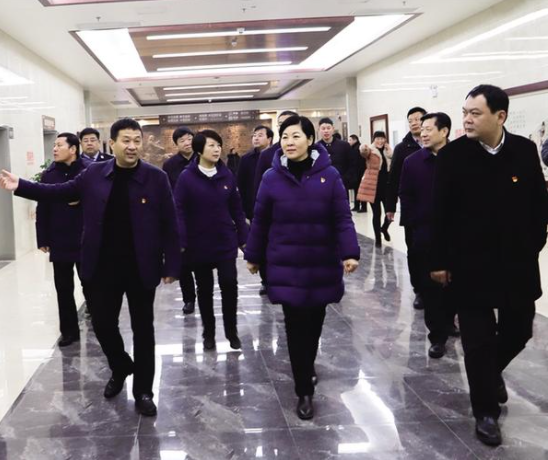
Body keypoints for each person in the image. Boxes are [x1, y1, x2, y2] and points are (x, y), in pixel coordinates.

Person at [0, 118, 181, 417]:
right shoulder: (94, 173)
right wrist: (20, 185)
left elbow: (170, 223)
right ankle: (120, 365)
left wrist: (172, 264)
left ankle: (144, 391)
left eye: (137, 140)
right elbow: (60, 192)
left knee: (143, 330)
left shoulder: (155, 178)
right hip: (102, 265)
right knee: (103, 324)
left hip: (141, 265)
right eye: (126, 140)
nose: (132, 146)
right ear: (113, 143)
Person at [430, 85, 548, 446]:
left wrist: (533, 243)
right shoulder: (453, 156)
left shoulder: (524, 151)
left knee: (519, 330)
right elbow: (439, 213)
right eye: (464, 112)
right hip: (470, 266)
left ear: (500, 116)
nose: (466, 119)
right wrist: (439, 261)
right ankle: (485, 413)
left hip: (516, 264)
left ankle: (490, 372)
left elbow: (539, 204)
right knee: (477, 342)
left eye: (475, 113)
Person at [245, 115, 360, 420]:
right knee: (295, 327)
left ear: (310, 140)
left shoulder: (330, 175)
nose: (289, 142)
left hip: (321, 261)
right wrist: (253, 255)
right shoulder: (271, 177)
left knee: (314, 324)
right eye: (285, 137)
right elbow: (260, 220)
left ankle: (307, 366)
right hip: (285, 262)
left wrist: (350, 252)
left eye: (296, 136)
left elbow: (342, 217)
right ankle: (304, 390)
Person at [174, 129, 248, 351]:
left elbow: (237, 209)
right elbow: (179, 210)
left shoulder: (226, 175)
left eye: (218, 145)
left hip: (225, 241)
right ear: (199, 150)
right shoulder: (187, 177)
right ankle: (209, 333)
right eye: (211, 145)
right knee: (204, 290)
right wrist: (181, 241)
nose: (217, 149)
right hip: (198, 243)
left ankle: (231, 331)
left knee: (229, 284)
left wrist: (243, 238)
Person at [399, 113, 458, 359]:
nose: (423, 133)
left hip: (456, 234)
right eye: (421, 129)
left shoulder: (459, 158)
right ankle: (437, 336)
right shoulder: (412, 162)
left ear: (444, 131)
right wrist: (414, 227)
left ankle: (449, 321)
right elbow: (406, 195)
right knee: (431, 288)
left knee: (454, 285)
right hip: (426, 234)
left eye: (428, 129)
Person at [36, 132, 91, 346]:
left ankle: (100, 321)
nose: (55, 149)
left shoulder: (89, 170)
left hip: (86, 238)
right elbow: (43, 207)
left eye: (59, 145)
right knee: (63, 288)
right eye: (54, 145)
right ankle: (69, 331)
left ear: (73, 149)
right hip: (60, 238)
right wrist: (42, 237)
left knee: (91, 284)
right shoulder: (49, 175)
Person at [386, 107, 427, 309]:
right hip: (412, 208)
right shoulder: (403, 148)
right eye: (410, 120)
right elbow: (394, 178)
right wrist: (390, 206)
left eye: (418, 119)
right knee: (414, 249)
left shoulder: (439, 144)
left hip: (437, 208)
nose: (414, 123)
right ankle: (419, 289)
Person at [162, 126, 198, 314]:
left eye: (189, 139)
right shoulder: (170, 165)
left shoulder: (204, 159)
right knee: (184, 262)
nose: (187, 143)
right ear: (176, 144)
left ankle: (204, 294)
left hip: (201, 217)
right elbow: (166, 193)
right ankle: (189, 299)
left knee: (201, 260)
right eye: (182, 140)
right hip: (179, 218)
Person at [237, 125, 274, 294]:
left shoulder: (276, 155)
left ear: (269, 139)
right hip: (255, 210)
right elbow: (241, 185)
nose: (256, 138)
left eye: (260, 135)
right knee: (262, 245)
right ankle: (265, 280)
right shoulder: (246, 159)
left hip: (276, 208)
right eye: (254, 135)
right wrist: (246, 210)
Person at [356, 131, 392, 247]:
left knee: (390, 214)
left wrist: (390, 152)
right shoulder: (370, 150)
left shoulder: (388, 151)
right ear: (374, 139)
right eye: (378, 138)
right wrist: (363, 148)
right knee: (377, 214)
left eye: (382, 138)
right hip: (373, 187)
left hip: (387, 187)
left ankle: (384, 228)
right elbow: (364, 153)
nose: (380, 141)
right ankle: (378, 239)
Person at [254, 111, 298, 195]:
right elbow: (259, 188)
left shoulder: (308, 151)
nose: (284, 127)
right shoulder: (267, 154)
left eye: (289, 123)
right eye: (281, 124)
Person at [318, 117, 353, 193]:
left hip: (341, 183)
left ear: (333, 129)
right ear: (319, 130)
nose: (326, 131)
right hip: (322, 186)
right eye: (323, 128)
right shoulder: (316, 147)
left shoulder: (344, 145)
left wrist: (346, 179)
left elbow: (351, 165)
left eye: (328, 128)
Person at [348, 134, 366, 213]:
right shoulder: (353, 148)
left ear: (355, 140)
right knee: (356, 190)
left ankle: (363, 207)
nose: (349, 142)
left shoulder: (358, 148)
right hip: (356, 173)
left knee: (361, 190)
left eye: (350, 140)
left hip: (359, 173)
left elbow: (359, 162)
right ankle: (357, 205)